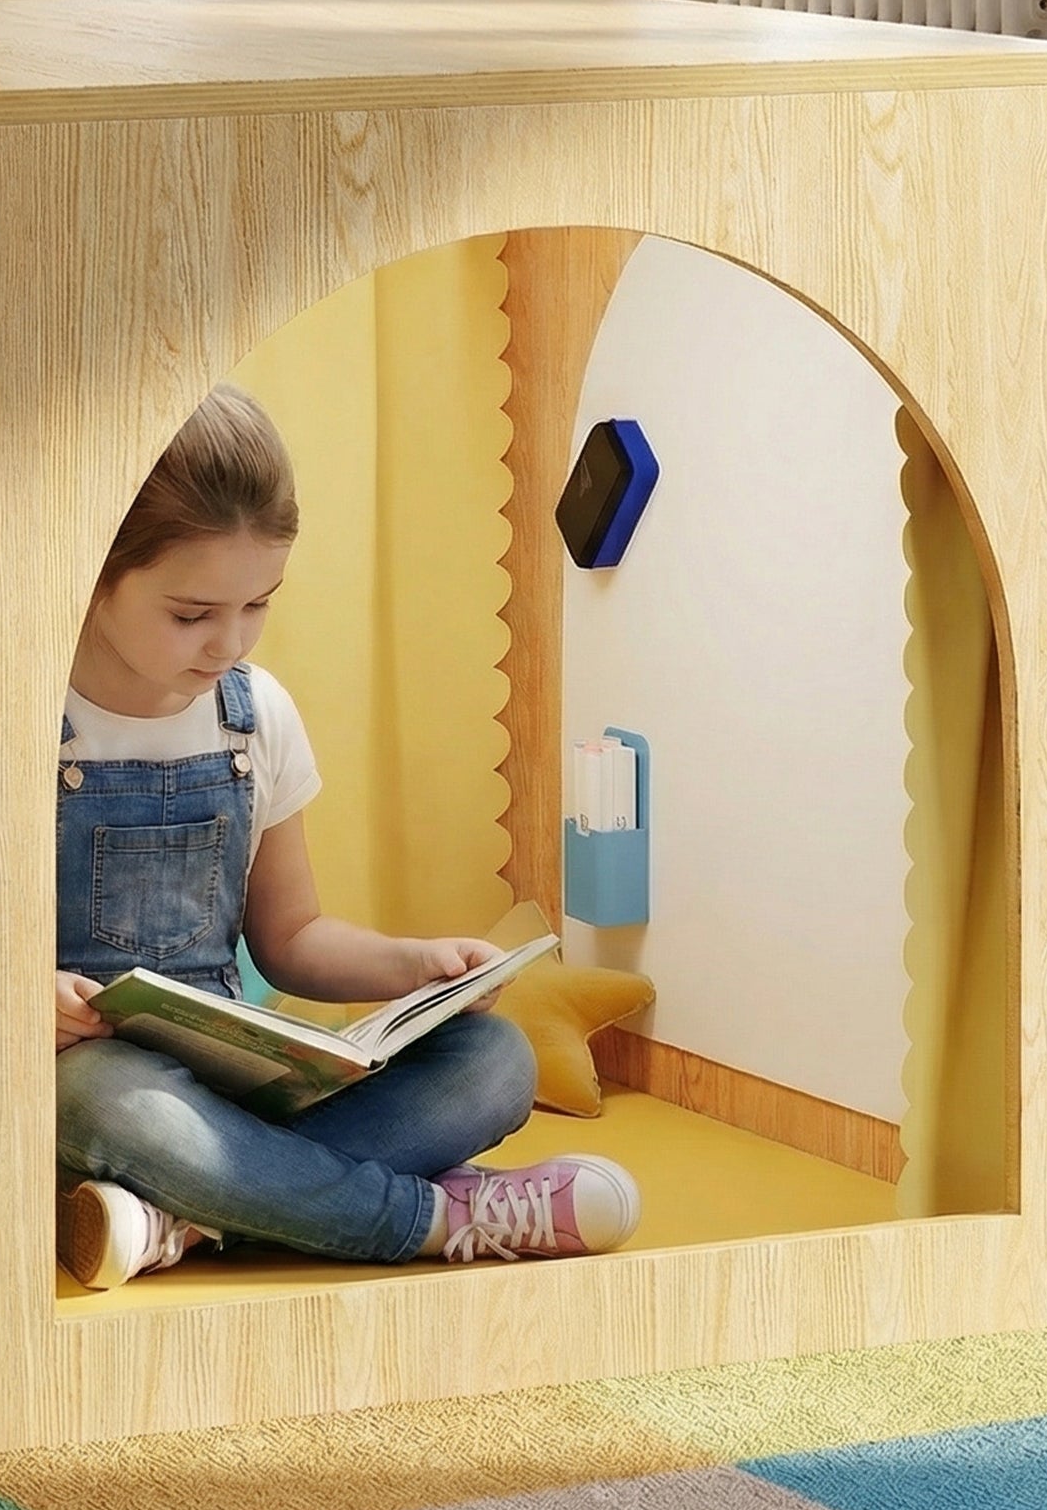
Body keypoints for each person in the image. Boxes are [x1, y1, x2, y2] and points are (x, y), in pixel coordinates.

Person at [54, 383, 641, 1289]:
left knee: (492, 1062)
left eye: (259, 604)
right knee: (109, 1097)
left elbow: (291, 940)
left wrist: (416, 967)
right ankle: (433, 1219)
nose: (229, 644)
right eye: (191, 614)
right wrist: (23, 999)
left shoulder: (256, 715)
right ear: (91, 565)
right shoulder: (22, 712)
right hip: (89, 1083)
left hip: (233, 1086)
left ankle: (184, 1217)